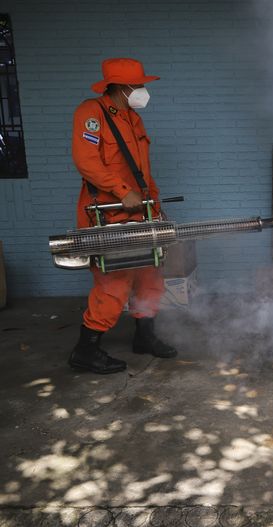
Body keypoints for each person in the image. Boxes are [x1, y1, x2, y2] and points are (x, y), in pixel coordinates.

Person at [68, 57, 177, 374]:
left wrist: (153, 206)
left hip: (140, 212)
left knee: (150, 275)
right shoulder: (91, 114)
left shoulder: (133, 119)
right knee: (113, 284)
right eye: (139, 84)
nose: (143, 89)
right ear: (120, 86)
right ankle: (85, 350)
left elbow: (143, 172)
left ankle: (145, 337)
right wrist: (120, 190)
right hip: (106, 214)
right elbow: (86, 160)